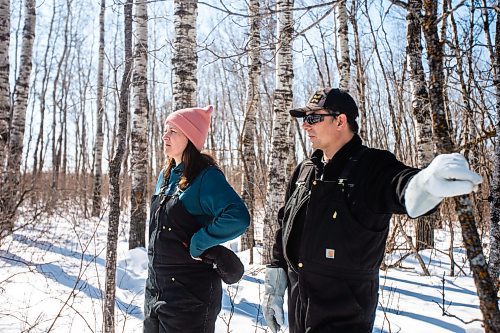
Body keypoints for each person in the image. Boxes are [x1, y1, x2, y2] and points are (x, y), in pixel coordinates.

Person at [262, 88, 482, 333]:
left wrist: (423, 185)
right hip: (299, 309)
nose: (306, 126)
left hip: (345, 315)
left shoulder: (372, 166)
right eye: (304, 119)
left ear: (340, 120)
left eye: (313, 118)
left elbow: (400, 184)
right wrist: (275, 280)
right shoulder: (305, 170)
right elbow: (286, 223)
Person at [144, 105, 250, 333]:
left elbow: (238, 217)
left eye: (173, 130)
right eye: (165, 129)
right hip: (156, 291)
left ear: (190, 137)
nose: (165, 136)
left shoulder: (205, 176)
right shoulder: (165, 175)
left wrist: (199, 242)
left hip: (189, 297)